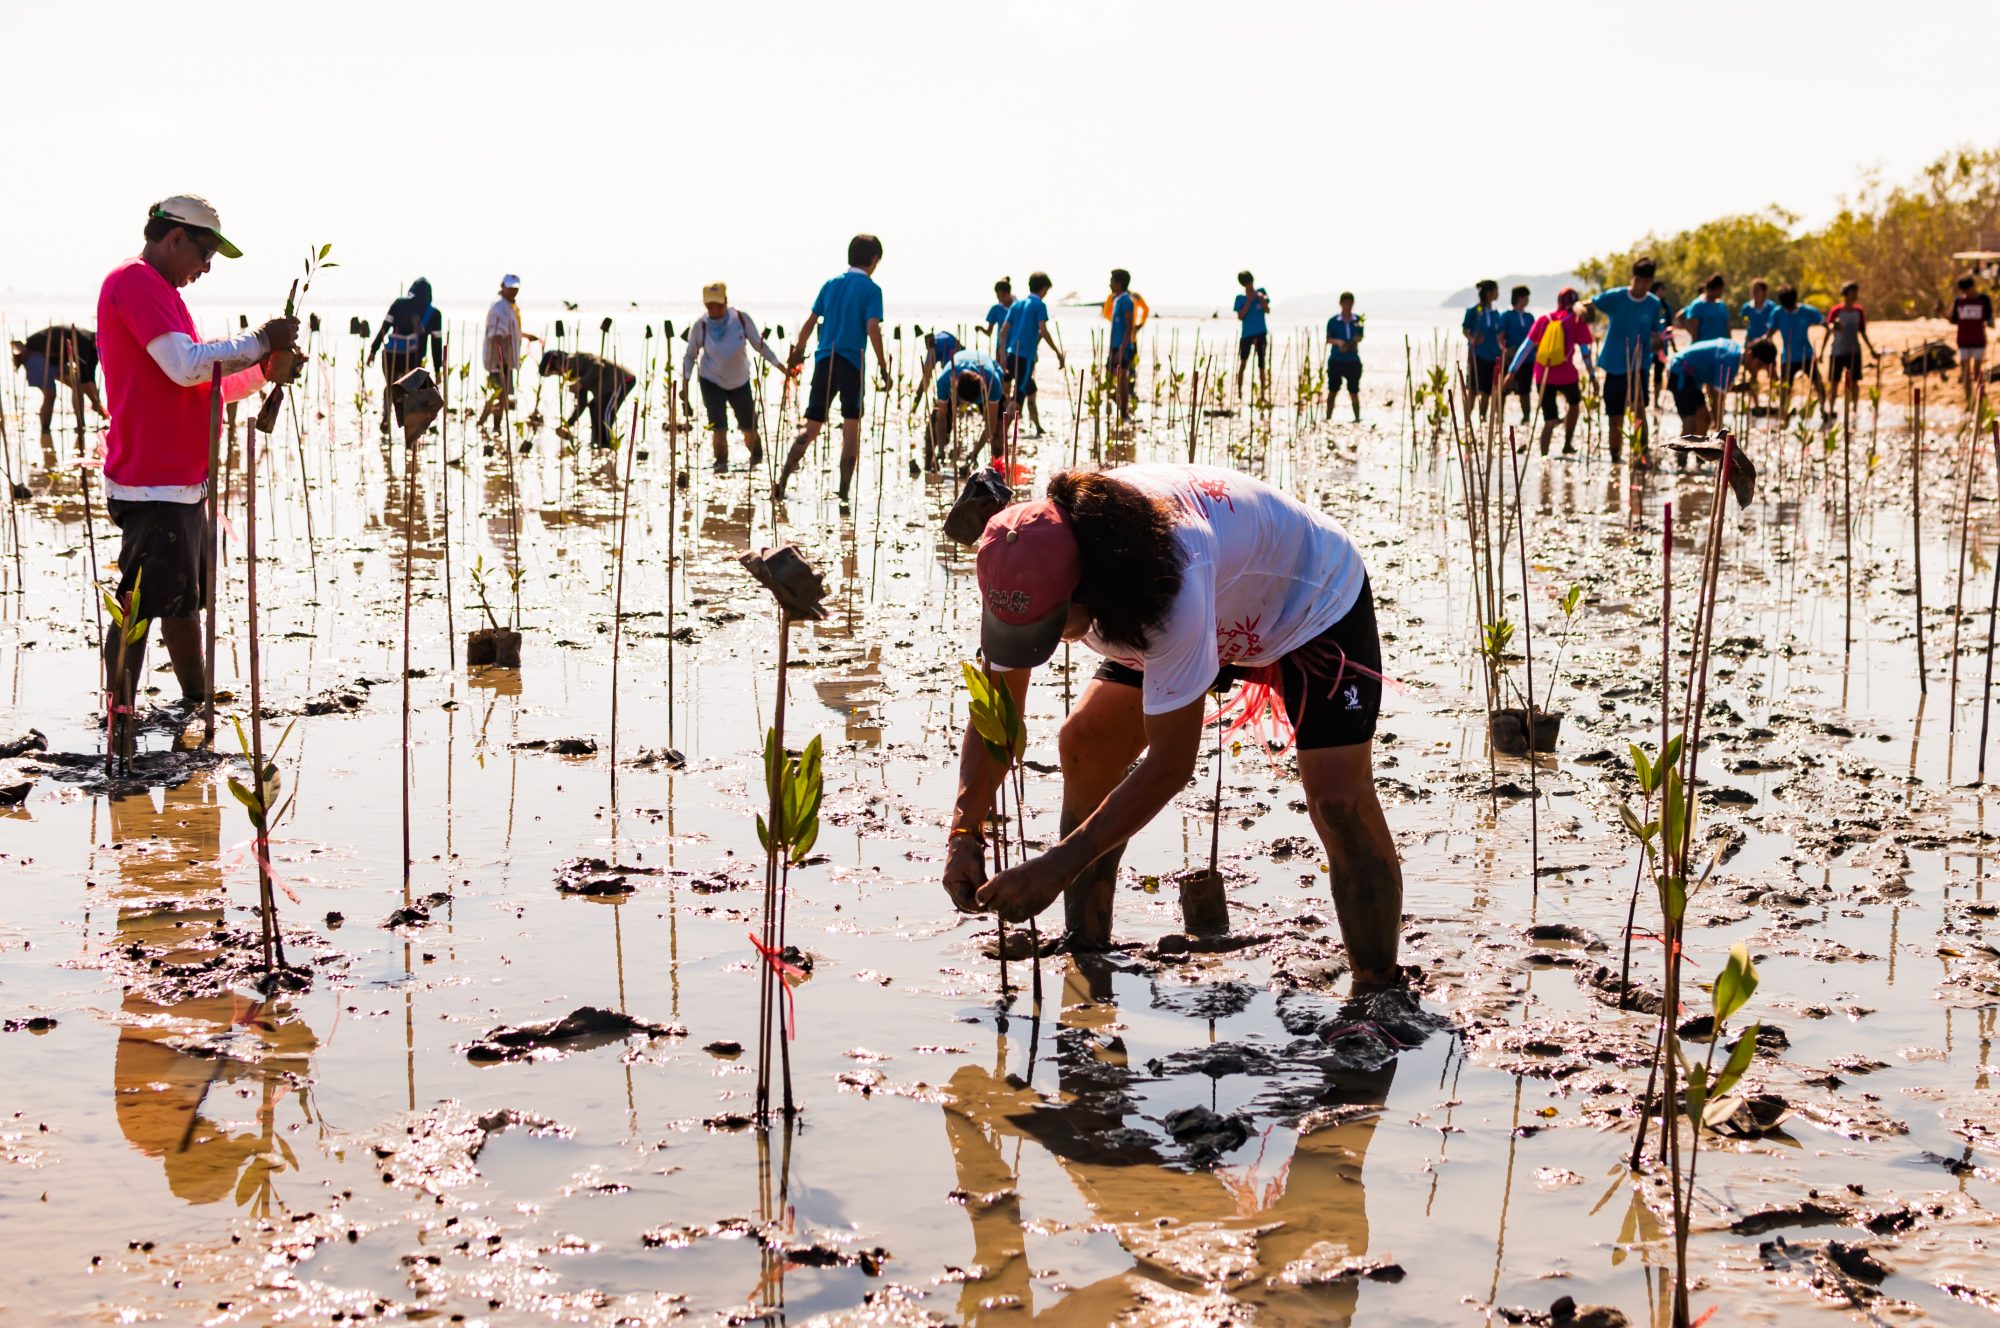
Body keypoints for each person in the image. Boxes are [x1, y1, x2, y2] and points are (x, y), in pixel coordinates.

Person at [942, 463, 1403, 986]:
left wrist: (1057, 864)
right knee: (1087, 743)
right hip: (1208, 595)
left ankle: (1378, 989)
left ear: (1086, 590)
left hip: (1306, 602)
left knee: (1338, 799)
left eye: (1051, 627)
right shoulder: (1016, 561)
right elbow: (995, 712)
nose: (1034, 647)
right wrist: (965, 829)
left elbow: (1170, 764)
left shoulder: (1166, 581)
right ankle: (1088, 952)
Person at [95, 195, 297, 759]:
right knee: (136, 606)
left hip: (181, 483)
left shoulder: (166, 298)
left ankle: (196, 703)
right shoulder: (133, 283)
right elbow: (188, 365)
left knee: (183, 603)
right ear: (174, 237)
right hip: (150, 481)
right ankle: (120, 722)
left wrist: (263, 370)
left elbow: (206, 383)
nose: (204, 268)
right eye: (204, 253)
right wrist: (259, 338)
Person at [775, 234, 890, 504]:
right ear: (874, 260)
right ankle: (844, 494)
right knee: (851, 430)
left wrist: (797, 353)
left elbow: (810, 321)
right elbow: (873, 328)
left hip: (825, 360)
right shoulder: (872, 290)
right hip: (851, 364)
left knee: (811, 428)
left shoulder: (831, 284)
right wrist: (884, 367)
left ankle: (781, 482)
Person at [681, 281, 789, 473]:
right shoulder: (701, 326)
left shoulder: (740, 319)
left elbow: (759, 344)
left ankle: (757, 460)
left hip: (739, 381)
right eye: (710, 306)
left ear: (726, 301)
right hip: (711, 380)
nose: (715, 310)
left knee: (749, 426)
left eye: (719, 305)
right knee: (718, 426)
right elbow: (690, 355)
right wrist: (685, 382)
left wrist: (780, 366)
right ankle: (721, 464)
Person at [1580, 257, 1666, 464]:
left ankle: (1642, 454)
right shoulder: (1617, 297)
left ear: (1651, 281)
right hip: (1614, 364)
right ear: (1633, 278)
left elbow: (1656, 333)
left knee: (1638, 410)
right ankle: (1615, 458)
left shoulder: (1653, 304)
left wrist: (1657, 342)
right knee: (1615, 415)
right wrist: (1581, 311)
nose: (1642, 287)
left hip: (1639, 365)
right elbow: (1588, 304)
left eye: (1647, 283)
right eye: (1639, 281)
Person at [1504, 287, 1594, 457]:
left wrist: (1512, 371)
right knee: (1574, 404)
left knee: (1549, 420)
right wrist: (1592, 375)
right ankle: (1567, 444)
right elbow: (1585, 352)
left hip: (1543, 374)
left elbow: (1526, 347)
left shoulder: (1544, 319)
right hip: (1567, 374)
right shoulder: (1576, 321)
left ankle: (1543, 458)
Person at [365, 278, 443, 435]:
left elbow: (384, 329)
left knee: (391, 386)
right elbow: (436, 344)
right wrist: (437, 369)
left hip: (390, 356)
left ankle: (386, 417)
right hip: (413, 359)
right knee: (413, 392)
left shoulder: (399, 304)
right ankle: (411, 427)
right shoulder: (434, 314)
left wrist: (373, 351)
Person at [1667, 336, 1774, 438]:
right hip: (1681, 372)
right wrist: (1719, 425)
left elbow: (1716, 386)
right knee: (1691, 423)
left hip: (1692, 378)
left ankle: (1699, 455)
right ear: (1750, 354)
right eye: (1759, 365)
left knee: (1704, 420)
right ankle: (1680, 455)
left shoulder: (1735, 349)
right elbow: (1718, 396)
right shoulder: (1730, 361)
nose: (1757, 369)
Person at [927, 339, 1009, 472]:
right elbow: (941, 418)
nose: (966, 406)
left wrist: (975, 453)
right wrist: (940, 449)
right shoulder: (944, 381)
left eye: (969, 403)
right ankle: (932, 464)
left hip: (986, 379)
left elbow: (991, 424)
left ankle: (997, 472)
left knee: (999, 432)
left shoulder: (993, 383)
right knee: (932, 428)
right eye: (964, 402)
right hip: (957, 379)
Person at [1001, 272, 1065, 437]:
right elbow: (1043, 331)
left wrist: (1002, 355)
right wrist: (1058, 352)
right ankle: (1001, 433)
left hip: (1011, 355)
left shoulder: (1017, 304)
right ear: (1043, 289)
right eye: (1046, 291)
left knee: (1030, 390)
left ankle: (1037, 426)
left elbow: (1003, 331)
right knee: (1017, 397)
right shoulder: (1039, 305)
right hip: (1025, 358)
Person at [11, 325, 105, 437]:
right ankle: (45, 431)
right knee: (50, 394)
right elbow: (85, 377)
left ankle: (80, 426)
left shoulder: (95, 349)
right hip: (36, 355)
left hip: (55, 359)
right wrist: (96, 404)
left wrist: (97, 402)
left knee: (77, 386)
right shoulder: (84, 343)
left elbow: (89, 377)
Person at [538, 348, 636, 449]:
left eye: (554, 370)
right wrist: (568, 424)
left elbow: (598, 367)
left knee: (604, 412)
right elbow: (582, 403)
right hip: (606, 389)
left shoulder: (575, 360)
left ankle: (607, 446)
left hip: (621, 381)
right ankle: (596, 444)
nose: (559, 374)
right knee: (593, 407)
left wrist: (581, 383)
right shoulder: (571, 374)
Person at [476, 275, 539, 433]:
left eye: (515, 288)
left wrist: (525, 336)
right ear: (502, 286)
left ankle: (484, 424)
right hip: (499, 361)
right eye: (510, 287)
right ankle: (491, 426)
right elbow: (497, 335)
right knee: (499, 395)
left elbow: (510, 331)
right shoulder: (499, 308)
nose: (513, 291)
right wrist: (501, 359)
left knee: (501, 395)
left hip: (505, 360)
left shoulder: (510, 307)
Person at [1772, 284, 1826, 413]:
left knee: (1818, 384)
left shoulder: (1807, 311)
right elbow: (1770, 332)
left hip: (1806, 355)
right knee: (1785, 388)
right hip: (1788, 357)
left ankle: (1824, 409)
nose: (1789, 309)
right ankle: (1784, 413)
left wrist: (1822, 350)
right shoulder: (1778, 313)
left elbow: (1825, 324)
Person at [1825, 280, 1877, 412]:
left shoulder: (1859, 311)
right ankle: (1831, 409)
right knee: (1834, 382)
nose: (1855, 295)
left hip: (1854, 352)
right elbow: (1828, 329)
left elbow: (1863, 332)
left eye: (1856, 293)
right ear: (1846, 294)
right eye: (1853, 293)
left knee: (1854, 381)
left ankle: (1854, 408)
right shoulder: (1836, 310)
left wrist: (1871, 350)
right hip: (1837, 352)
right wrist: (1821, 351)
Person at [1461, 279, 1503, 421]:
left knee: (1487, 390)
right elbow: (1465, 329)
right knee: (1473, 390)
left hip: (1493, 356)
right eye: (1496, 291)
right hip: (1477, 355)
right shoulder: (1475, 311)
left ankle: (1482, 418)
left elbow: (1499, 335)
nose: (1497, 294)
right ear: (1489, 293)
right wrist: (1473, 339)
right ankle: (1467, 420)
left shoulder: (1496, 313)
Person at [1952, 273, 1993, 407]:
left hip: (1978, 341)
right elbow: (1953, 320)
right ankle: (1969, 402)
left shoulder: (1983, 300)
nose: (1965, 293)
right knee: (1964, 371)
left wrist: (1991, 323)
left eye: (1967, 290)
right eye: (1963, 291)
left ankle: (1982, 400)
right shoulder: (1959, 302)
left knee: (1977, 372)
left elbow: (1989, 318)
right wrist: (1941, 313)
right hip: (1963, 341)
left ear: (1972, 287)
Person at [1497, 285, 1536, 424]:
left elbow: (1535, 338)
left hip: (1528, 359)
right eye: (1526, 297)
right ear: (1519, 297)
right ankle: (1499, 418)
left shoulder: (1529, 317)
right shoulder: (1506, 315)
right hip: (1510, 359)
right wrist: (1505, 351)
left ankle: (1526, 419)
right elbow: (1500, 336)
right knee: (1504, 389)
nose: (1528, 300)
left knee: (1525, 390)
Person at [1324, 293, 1364, 423]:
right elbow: (1328, 339)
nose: (1348, 306)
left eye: (1350, 304)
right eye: (1345, 303)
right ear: (1341, 304)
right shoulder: (1333, 321)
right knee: (1332, 390)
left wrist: (1349, 345)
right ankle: (1328, 418)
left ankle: (1357, 418)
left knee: (1354, 391)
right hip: (1336, 360)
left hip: (1352, 360)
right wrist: (1340, 343)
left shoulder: (1358, 320)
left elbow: (1360, 337)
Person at [1107, 268, 1140, 423]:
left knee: (1122, 379)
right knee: (1112, 376)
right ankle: (1120, 406)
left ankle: (1125, 413)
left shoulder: (1127, 301)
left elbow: (1129, 327)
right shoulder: (1117, 300)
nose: (1110, 284)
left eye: (1112, 280)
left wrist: (1121, 349)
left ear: (1119, 283)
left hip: (1123, 347)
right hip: (1115, 346)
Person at [1233, 270, 1271, 397]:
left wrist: (1260, 298)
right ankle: (1239, 392)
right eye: (1247, 284)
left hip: (1261, 333)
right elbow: (1240, 316)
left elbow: (1267, 310)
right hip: (1247, 335)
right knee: (1243, 363)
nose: (1249, 286)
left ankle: (1262, 394)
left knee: (1262, 364)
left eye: (1250, 283)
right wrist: (1249, 301)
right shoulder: (1240, 298)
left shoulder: (1262, 292)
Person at [1678, 274, 1733, 344]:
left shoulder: (1722, 306)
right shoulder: (1698, 305)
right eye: (1719, 290)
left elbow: (1727, 328)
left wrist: (1730, 345)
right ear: (1710, 289)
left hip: (1720, 348)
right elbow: (1694, 332)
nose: (1721, 293)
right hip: (1704, 348)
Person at [983, 278, 1015, 348]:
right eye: (998, 297)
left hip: (1017, 349)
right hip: (1001, 348)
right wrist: (981, 329)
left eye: (1002, 296)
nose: (1000, 299)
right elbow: (989, 332)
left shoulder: (1018, 307)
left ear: (1009, 293)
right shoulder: (995, 309)